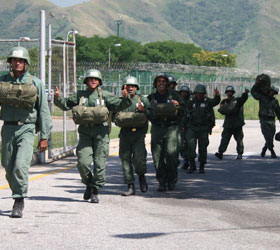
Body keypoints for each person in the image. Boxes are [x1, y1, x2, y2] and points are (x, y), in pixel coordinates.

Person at [54, 69, 131, 203]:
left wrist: (125, 98)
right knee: (82, 163)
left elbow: (119, 105)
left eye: (95, 79)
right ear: (86, 81)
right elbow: (66, 104)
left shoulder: (105, 95)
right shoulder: (80, 96)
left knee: (99, 163)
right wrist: (57, 98)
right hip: (85, 133)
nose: (93, 81)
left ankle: (95, 190)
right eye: (90, 79)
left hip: (101, 133)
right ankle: (89, 184)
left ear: (99, 81)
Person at [0, 46, 52, 218]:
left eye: (21, 60)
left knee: (20, 166)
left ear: (26, 63)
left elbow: (44, 111)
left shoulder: (36, 83)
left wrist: (44, 136)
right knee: (8, 166)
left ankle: (19, 200)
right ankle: (17, 191)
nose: (17, 63)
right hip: (8, 128)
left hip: (27, 128)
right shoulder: (2, 81)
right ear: (10, 62)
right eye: (14, 60)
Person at [148, 73, 184, 192]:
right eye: (159, 81)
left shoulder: (174, 96)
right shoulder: (151, 97)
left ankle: (172, 179)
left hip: (171, 128)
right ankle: (162, 181)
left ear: (167, 84)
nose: (161, 83)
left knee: (171, 154)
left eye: (164, 81)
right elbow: (146, 111)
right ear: (155, 84)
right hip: (157, 128)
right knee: (157, 156)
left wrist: (178, 106)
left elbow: (184, 109)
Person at [114, 76, 150, 196]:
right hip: (125, 134)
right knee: (125, 160)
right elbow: (114, 115)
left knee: (139, 159)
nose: (130, 88)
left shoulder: (142, 100)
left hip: (139, 135)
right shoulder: (120, 101)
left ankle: (141, 177)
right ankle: (130, 185)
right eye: (127, 86)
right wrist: (123, 101)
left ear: (136, 88)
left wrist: (144, 110)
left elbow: (152, 113)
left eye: (132, 86)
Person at [184, 84, 220, 174]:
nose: (199, 95)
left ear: (204, 93)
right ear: (195, 93)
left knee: (203, 147)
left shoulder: (207, 101)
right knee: (190, 147)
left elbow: (215, 102)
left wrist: (217, 95)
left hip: (203, 128)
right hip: (192, 127)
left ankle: (202, 166)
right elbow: (184, 110)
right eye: (197, 93)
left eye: (201, 93)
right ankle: (192, 165)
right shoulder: (191, 101)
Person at [215, 85, 249, 160]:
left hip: (237, 123)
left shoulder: (237, 100)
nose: (229, 93)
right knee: (224, 139)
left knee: (239, 139)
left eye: (231, 92)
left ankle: (240, 153)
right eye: (228, 92)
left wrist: (245, 93)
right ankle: (220, 153)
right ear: (226, 93)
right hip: (228, 124)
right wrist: (228, 111)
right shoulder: (224, 101)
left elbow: (243, 99)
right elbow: (221, 110)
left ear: (233, 92)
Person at [251, 74, 280, 158]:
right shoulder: (262, 97)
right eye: (272, 91)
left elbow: (278, 112)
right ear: (269, 90)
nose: (272, 93)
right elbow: (253, 93)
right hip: (264, 119)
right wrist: (256, 84)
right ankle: (272, 151)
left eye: (274, 93)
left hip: (272, 120)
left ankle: (264, 148)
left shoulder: (275, 101)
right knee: (267, 135)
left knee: (271, 136)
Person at [178, 85, 192, 170]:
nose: (184, 94)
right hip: (180, 125)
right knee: (181, 144)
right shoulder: (178, 101)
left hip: (189, 125)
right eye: (182, 92)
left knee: (189, 144)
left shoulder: (191, 102)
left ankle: (190, 160)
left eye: (185, 93)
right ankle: (186, 159)